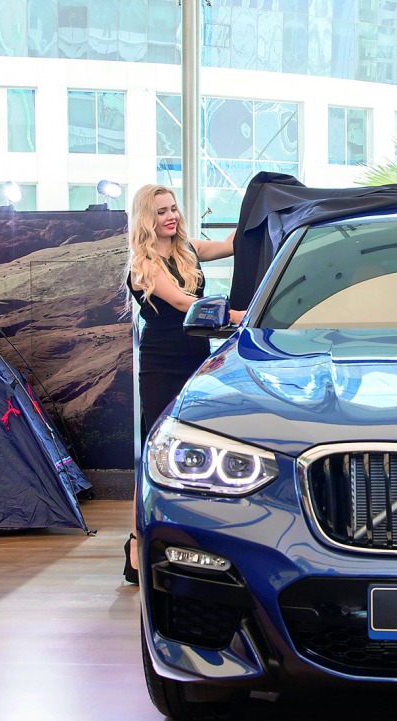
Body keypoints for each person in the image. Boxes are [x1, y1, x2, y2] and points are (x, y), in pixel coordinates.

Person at [123, 184, 244, 583]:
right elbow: (181, 303)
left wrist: (260, 212)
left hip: (196, 359)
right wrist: (242, 315)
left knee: (192, 448)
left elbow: (229, 245)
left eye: (173, 208)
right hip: (161, 364)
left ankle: (188, 539)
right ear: (146, 218)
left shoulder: (187, 248)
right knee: (156, 454)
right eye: (161, 212)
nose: (170, 217)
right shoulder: (144, 264)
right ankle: (137, 542)